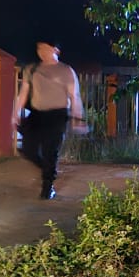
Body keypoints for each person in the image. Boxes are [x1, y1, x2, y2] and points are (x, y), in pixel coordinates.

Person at [12, 39, 83, 199]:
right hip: (37, 115)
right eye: (39, 48)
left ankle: (47, 187)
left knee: (50, 151)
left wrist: (77, 116)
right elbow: (24, 93)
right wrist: (15, 113)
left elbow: (74, 95)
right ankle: (48, 169)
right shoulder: (32, 69)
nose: (41, 51)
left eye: (45, 48)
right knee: (28, 150)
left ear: (56, 50)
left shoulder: (66, 71)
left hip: (57, 116)